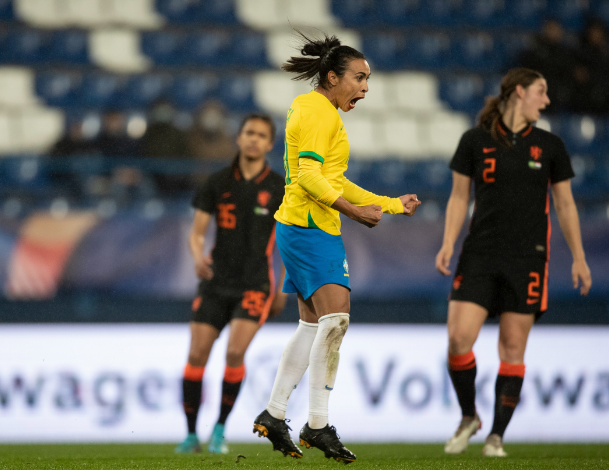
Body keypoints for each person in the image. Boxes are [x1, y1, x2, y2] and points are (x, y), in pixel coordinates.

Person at [251, 31, 421, 464]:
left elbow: (332, 177)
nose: (365, 88)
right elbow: (308, 176)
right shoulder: (316, 112)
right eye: (359, 79)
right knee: (336, 320)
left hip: (306, 225)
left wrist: (388, 205)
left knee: (314, 326)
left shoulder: (318, 111)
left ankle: (274, 414)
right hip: (309, 227)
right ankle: (318, 424)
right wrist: (353, 212)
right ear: (332, 76)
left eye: (368, 80)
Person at [435, 68, 592, 457]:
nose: (547, 100)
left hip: (528, 259)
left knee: (513, 347)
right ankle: (469, 415)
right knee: (458, 339)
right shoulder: (474, 141)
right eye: (542, 91)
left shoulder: (550, 145)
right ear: (519, 92)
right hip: (479, 254)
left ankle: (496, 437)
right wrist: (448, 242)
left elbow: (565, 204)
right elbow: (458, 198)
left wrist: (579, 258)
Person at [175, 113, 288, 455]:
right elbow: (197, 234)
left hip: (255, 284)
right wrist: (197, 256)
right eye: (248, 133)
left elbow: (291, 241)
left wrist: (286, 283)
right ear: (238, 139)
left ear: (270, 144)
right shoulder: (216, 182)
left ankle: (220, 430)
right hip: (215, 281)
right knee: (196, 354)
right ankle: (192, 434)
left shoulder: (280, 188)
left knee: (235, 352)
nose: (253, 139)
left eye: (261, 135)